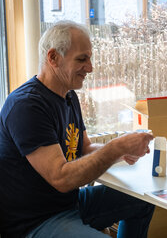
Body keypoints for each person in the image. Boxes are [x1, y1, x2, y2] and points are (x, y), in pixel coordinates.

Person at [0, 21, 155, 238]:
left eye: (90, 58)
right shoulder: (26, 106)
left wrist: (122, 151)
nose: (90, 68)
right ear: (53, 57)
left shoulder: (68, 95)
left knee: (143, 199)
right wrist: (115, 147)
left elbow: (84, 148)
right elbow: (61, 178)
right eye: (82, 59)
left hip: (69, 205)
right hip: (35, 221)